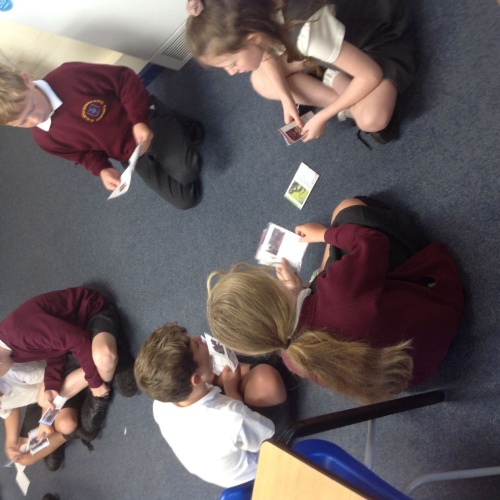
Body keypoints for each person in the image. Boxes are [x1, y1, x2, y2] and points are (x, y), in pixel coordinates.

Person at [207, 197, 465, 404]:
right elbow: (372, 241)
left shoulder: (293, 358)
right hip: (440, 310)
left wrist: (298, 289)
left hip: (416, 371)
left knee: (337, 272)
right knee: (346, 209)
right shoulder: (338, 289)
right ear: (270, 291)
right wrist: (323, 234)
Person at [186, 0, 415, 145]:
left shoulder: (307, 32)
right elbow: (266, 54)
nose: (231, 72)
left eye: (232, 63)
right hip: (329, 44)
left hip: (375, 40)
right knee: (261, 81)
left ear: (253, 38)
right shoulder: (252, 16)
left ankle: (339, 86)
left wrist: (322, 116)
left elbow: (371, 75)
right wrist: (287, 99)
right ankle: (337, 81)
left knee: (371, 119)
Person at [0, 62, 204, 209]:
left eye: (31, 107)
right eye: (23, 122)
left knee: (188, 170)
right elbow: (83, 155)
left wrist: (139, 120)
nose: (35, 119)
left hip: (145, 118)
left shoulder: (69, 76)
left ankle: (185, 127)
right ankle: (177, 142)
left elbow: (124, 79)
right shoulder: (44, 139)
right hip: (129, 154)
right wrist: (103, 169)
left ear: (27, 81)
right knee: (186, 200)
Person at [134, 323, 289, 488]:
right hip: (256, 469)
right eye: (196, 344)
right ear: (196, 379)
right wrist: (231, 391)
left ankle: (248, 370)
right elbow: (270, 448)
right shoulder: (232, 418)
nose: (199, 338)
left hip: (217, 450)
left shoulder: (160, 404)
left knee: (222, 371)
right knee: (265, 378)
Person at [0, 287, 137, 437]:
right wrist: (52, 384)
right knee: (44, 399)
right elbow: (53, 350)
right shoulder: (8, 352)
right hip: (72, 336)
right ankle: (102, 375)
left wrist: (95, 383)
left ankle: (118, 361)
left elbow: (79, 341)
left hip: (91, 313)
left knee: (104, 358)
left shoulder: (19, 334)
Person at [1, 361, 94, 471]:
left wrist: (45, 420)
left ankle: (68, 428)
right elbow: (9, 410)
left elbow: (50, 376)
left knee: (65, 425)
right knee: (23, 457)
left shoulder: (14, 372)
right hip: (35, 399)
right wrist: (11, 443)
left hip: (57, 383)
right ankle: (67, 435)